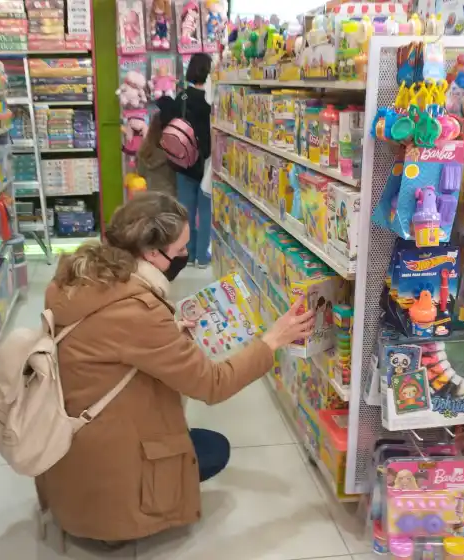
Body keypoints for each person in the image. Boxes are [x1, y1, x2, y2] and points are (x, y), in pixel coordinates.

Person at [37, 192, 315, 545]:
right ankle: (119, 523)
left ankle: (106, 505)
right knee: (212, 450)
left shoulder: (78, 277)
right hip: (108, 465)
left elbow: (106, 349)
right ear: (152, 253)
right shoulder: (137, 309)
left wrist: (168, 335)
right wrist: (273, 340)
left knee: (200, 445)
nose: (186, 254)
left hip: (72, 445)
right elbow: (213, 384)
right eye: (181, 249)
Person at [157, 52, 213, 267]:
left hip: (183, 162)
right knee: (206, 210)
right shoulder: (211, 101)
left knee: (186, 211)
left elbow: (167, 122)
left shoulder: (182, 97)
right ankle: (202, 256)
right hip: (207, 163)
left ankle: (187, 253)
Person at [136, 112, 177, 197]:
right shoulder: (174, 152)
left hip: (151, 198)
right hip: (171, 198)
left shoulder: (144, 151)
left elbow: (141, 173)